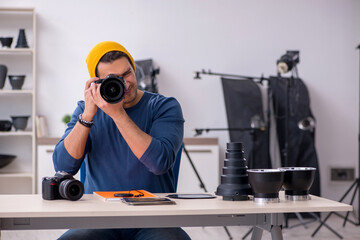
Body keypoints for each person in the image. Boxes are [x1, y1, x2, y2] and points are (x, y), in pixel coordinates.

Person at [53, 41, 190, 240]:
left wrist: (118, 115)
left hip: (154, 219)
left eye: (127, 74)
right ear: (96, 83)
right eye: (113, 79)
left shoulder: (164, 106)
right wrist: (88, 115)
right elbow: (63, 167)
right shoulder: (86, 111)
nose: (124, 84)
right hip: (99, 219)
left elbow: (159, 163)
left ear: (134, 70)